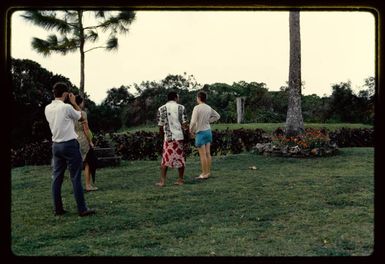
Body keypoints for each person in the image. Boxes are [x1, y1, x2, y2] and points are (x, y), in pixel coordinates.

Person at [44, 82, 95, 217]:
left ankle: (58, 209)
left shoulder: (47, 108)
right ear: (66, 94)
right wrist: (74, 103)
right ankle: (82, 209)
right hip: (70, 144)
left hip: (56, 145)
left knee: (57, 178)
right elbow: (82, 117)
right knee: (76, 177)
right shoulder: (66, 107)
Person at [156, 91, 188, 187]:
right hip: (179, 137)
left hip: (168, 137)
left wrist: (162, 137)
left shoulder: (161, 109)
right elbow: (185, 123)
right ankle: (180, 179)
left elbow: (160, 126)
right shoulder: (181, 107)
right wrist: (187, 135)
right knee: (180, 158)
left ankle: (162, 181)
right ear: (175, 98)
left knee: (165, 160)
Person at [189, 91, 220, 179]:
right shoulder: (208, 107)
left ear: (198, 98)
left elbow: (193, 121)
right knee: (208, 154)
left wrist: (190, 131)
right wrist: (208, 121)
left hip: (200, 133)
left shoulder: (197, 108)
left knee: (202, 155)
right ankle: (208, 172)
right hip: (208, 131)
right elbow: (217, 116)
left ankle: (203, 174)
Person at [74, 95, 98, 192]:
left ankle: (76, 185)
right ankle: (88, 185)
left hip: (73, 138)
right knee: (88, 163)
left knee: (75, 164)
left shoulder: (70, 114)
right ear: (80, 103)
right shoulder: (82, 113)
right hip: (83, 139)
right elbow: (86, 129)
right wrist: (90, 141)